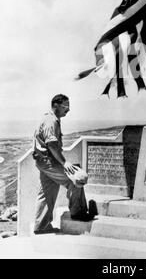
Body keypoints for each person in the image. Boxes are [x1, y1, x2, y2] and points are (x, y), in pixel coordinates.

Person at [32, 94, 96, 234]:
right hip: (49, 162)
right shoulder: (51, 121)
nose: (68, 110)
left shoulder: (50, 118)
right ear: (56, 105)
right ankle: (78, 213)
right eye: (66, 106)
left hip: (43, 162)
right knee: (76, 179)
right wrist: (65, 162)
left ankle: (41, 226)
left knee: (46, 193)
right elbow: (52, 145)